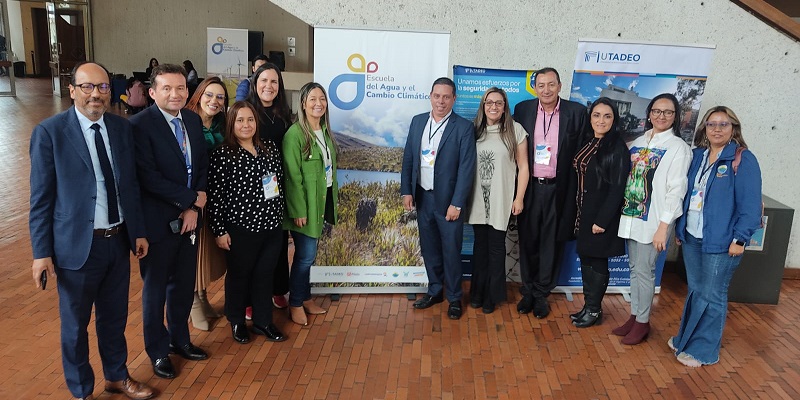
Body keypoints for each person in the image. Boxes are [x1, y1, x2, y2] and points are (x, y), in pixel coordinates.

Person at [29, 62, 155, 400]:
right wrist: (41, 253)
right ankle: (82, 391)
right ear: (72, 90)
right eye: (87, 87)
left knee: (113, 319)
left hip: (117, 241)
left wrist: (138, 231)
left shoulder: (120, 128)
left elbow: (129, 185)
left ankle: (116, 376)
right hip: (76, 248)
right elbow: (40, 200)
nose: (96, 94)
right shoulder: (50, 133)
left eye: (101, 87)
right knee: (75, 328)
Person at [131, 63, 210, 379]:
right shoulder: (139, 126)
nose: (175, 93)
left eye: (180, 88)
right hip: (158, 225)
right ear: (152, 92)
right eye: (167, 88)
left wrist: (194, 207)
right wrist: (188, 200)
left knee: (182, 287)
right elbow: (147, 177)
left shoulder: (191, 119)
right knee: (155, 292)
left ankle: (181, 340)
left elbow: (201, 165)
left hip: (189, 223)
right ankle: (158, 352)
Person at [669, 106, 762, 367]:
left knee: (713, 294)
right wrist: (680, 229)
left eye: (723, 124)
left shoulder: (743, 159)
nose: (717, 129)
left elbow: (751, 206)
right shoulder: (698, 156)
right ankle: (685, 339)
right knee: (697, 290)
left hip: (722, 242)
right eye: (712, 124)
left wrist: (740, 239)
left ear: (734, 128)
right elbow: (688, 195)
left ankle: (704, 351)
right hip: (692, 236)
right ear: (705, 129)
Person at [208, 101, 288, 344]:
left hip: (272, 227)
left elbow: (277, 185)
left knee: (265, 274)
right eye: (240, 120)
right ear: (232, 123)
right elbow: (216, 196)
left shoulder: (270, 149)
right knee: (240, 275)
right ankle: (237, 321)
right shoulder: (223, 155)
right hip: (241, 229)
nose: (246, 125)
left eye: (250, 120)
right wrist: (219, 231)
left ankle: (264, 321)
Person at [615, 93, 691, 345]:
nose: (661, 116)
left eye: (668, 112)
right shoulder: (639, 140)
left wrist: (663, 227)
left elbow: (676, 190)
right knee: (635, 269)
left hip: (655, 221)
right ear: (649, 113)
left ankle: (643, 323)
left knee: (645, 272)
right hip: (632, 215)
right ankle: (635, 315)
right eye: (657, 111)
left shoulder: (678, 148)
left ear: (675, 117)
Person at [512, 67, 588, 318]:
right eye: (541, 85)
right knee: (528, 240)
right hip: (530, 187)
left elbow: (582, 152)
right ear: (535, 87)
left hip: (559, 189)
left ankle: (542, 293)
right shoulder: (522, 110)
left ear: (559, 85)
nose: (546, 90)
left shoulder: (576, 112)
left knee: (551, 243)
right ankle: (529, 291)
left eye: (551, 84)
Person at [401, 77, 477, 320]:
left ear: (454, 99)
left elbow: (466, 169)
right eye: (437, 96)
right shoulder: (417, 122)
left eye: (446, 97)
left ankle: (454, 298)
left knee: (451, 252)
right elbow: (409, 159)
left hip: (448, 203)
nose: (441, 101)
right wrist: (406, 190)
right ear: (430, 96)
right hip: (423, 198)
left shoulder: (463, 127)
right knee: (430, 249)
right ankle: (435, 291)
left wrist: (457, 203)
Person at [567, 97, 630, 328]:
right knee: (586, 259)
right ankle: (588, 306)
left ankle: (594, 310)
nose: (601, 120)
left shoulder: (617, 148)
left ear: (614, 120)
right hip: (583, 213)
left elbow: (618, 188)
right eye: (596, 115)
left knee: (597, 262)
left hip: (601, 217)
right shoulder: (588, 141)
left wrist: (602, 220)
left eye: (607, 116)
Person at [466, 87, 528, 314]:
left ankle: (492, 296)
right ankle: (477, 293)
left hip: (501, 198)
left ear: (504, 107)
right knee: (479, 247)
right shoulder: (474, 130)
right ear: (483, 105)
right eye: (489, 102)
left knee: (496, 247)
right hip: (477, 199)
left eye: (498, 103)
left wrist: (519, 197)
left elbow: (524, 168)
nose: (493, 106)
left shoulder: (515, 130)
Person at [283, 82, 339, 326]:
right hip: (305, 207)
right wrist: (298, 210)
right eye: (313, 99)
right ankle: (295, 303)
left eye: (322, 99)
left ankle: (305, 298)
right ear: (303, 104)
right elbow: (292, 177)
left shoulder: (325, 131)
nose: (319, 103)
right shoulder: (294, 135)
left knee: (310, 256)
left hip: (321, 200)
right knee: (305, 257)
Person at [246, 62, 294, 312]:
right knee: (254, 246)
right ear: (255, 83)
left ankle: (277, 290)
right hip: (251, 188)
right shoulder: (246, 111)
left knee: (277, 241)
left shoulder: (283, 114)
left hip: (277, 187)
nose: (269, 86)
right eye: (264, 80)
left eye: (274, 82)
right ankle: (250, 299)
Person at [184, 76, 229, 331]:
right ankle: (191, 302)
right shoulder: (187, 122)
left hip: (216, 197)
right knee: (192, 250)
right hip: (194, 198)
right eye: (209, 95)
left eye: (220, 97)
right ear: (199, 95)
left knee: (206, 251)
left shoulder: (222, 124)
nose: (214, 100)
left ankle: (202, 296)